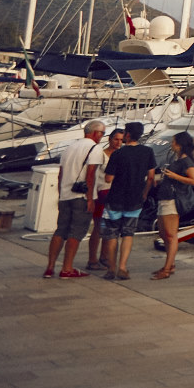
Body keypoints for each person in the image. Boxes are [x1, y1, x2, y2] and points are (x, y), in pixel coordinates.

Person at [44, 120, 106, 279]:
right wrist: (91, 198)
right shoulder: (95, 148)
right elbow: (91, 174)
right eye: (102, 133)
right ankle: (67, 268)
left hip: (66, 195)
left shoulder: (69, 148)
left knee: (60, 230)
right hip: (82, 197)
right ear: (94, 133)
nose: (102, 136)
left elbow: (61, 174)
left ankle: (50, 267)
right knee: (76, 232)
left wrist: (60, 194)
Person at [101, 121, 157, 280]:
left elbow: (108, 178)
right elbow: (151, 177)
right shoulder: (148, 152)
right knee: (128, 233)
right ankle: (123, 267)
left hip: (115, 198)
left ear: (127, 134)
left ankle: (111, 268)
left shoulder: (118, 154)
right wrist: (144, 193)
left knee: (112, 234)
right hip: (135, 199)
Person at [151, 130, 194, 279]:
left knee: (170, 235)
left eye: (173, 142)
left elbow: (193, 180)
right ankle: (170, 264)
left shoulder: (186, 162)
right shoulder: (178, 160)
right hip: (164, 198)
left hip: (172, 200)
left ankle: (167, 268)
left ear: (179, 145)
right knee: (163, 233)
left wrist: (174, 176)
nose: (171, 145)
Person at [87, 128, 124, 270]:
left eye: (121, 140)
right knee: (98, 227)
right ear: (110, 139)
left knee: (111, 227)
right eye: (116, 139)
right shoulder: (102, 155)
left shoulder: (121, 155)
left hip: (115, 193)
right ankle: (92, 259)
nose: (118, 142)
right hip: (102, 191)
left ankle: (104, 256)